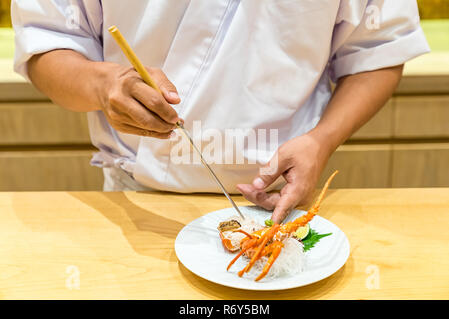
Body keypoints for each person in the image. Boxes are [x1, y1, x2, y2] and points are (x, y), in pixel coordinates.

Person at [12, 0, 429, 223]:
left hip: (288, 196)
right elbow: (47, 42)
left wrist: (321, 142)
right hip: (140, 202)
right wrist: (103, 86)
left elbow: (377, 51)